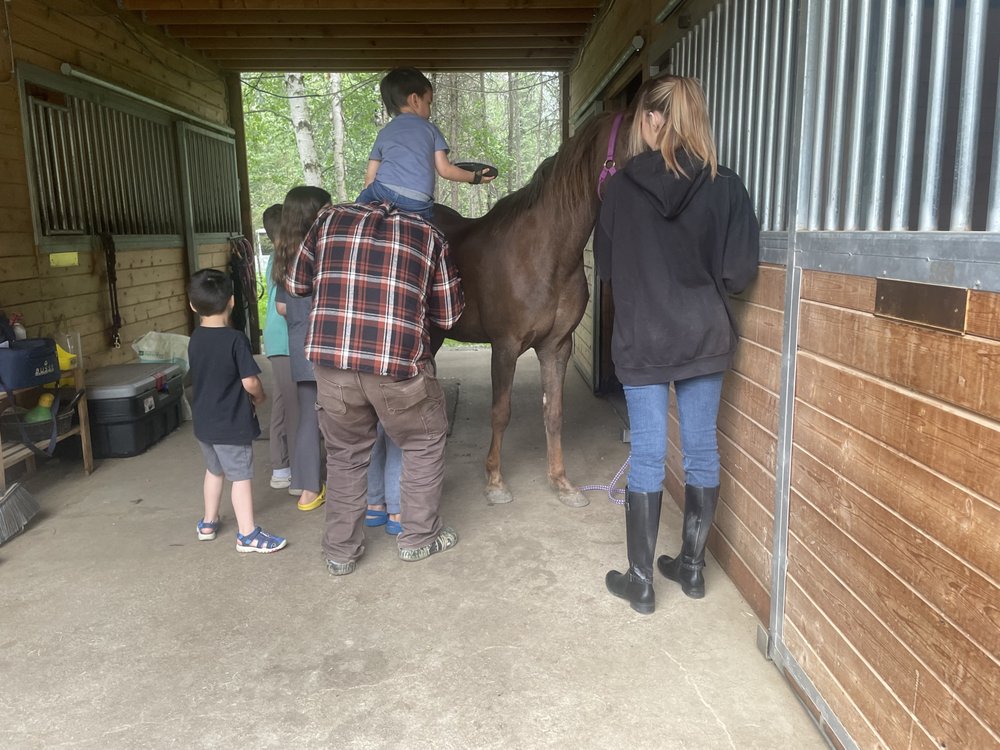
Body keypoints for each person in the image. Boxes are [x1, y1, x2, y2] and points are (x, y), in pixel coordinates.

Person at [596, 75, 760, 614]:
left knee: (646, 453)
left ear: (649, 119)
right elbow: (738, 275)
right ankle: (691, 569)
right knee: (702, 450)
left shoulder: (618, 190)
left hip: (643, 338)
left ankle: (641, 581)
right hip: (703, 335)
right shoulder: (727, 186)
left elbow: (607, 273)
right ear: (696, 121)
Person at [286, 200, 464, 575]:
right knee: (424, 440)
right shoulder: (428, 234)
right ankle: (419, 538)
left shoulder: (328, 218)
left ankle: (339, 552)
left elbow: (296, 284)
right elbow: (448, 315)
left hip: (332, 364)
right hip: (395, 366)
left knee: (345, 453)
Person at [187, 268, 287, 553]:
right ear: (232, 301)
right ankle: (247, 534)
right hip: (230, 423)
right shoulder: (235, 340)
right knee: (240, 477)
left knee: (214, 470)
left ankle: (208, 523)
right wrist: (260, 396)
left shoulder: (195, 338)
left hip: (204, 422)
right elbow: (250, 381)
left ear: (193, 305)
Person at [356, 66, 495, 220]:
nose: (430, 111)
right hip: (417, 201)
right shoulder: (431, 129)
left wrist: (366, 202)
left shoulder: (384, 132)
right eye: (429, 103)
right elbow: (445, 170)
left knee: (356, 211)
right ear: (415, 100)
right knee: (430, 227)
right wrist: (475, 177)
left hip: (383, 192)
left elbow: (370, 178)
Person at [273, 186, 331, 512]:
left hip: (299, 345)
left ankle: (308, 491)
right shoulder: (323, 250)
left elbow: (282, 307)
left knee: (308, 418)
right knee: (347, 415)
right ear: (313, 215)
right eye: (326, 209)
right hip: (327, 344)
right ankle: (354, 485)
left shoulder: (284, 255)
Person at [261, 203, 299, 492]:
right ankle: (292, 470)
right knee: (293, 407)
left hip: (275, 339)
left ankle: (280, 466)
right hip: (287, 339)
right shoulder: (287, 259)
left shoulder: (273, 257)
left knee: (280, 405)